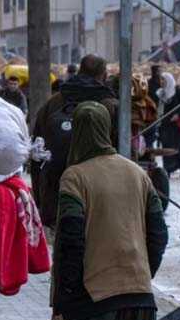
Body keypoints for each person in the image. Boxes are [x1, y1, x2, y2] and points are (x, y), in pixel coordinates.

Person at [47, 102, 168, 320]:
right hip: (139, 298)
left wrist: (66, 299)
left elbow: (70, 244)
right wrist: (140, 273)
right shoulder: (136, 173)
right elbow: (159, 234)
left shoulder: (74, 177)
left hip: (91, 300)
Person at [29, 54, 118, 227]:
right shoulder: (111, 105)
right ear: (104, 75)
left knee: (63, 248)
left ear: (79, 71)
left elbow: (36, 153)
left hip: (57, 197)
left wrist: (39, 201)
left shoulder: (54, 103)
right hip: (99, 200)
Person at [157, 72, 180, 178]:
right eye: (161, 80)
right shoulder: (160, 94)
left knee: (179, 147)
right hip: (165, 126)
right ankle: (167, 169)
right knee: (166, 148)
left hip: (178, 127)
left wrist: (179, 114)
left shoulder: (179, 92)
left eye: (164, 80)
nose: (162, 82)